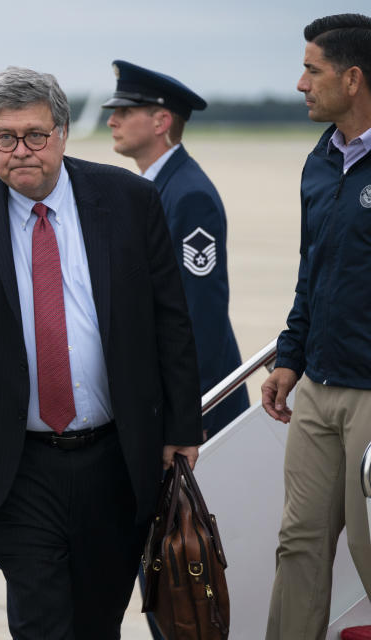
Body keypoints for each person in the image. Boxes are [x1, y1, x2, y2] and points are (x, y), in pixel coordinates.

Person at [0, 66, 202, 640]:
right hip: (13, 461)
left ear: (63, 133)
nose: (21, 151)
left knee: (96, 621)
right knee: (40, 620)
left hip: (115, 458)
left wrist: (182, 427)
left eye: (35, 135)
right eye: (4, 137)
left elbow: (171, 322)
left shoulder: (129, 200)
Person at [261, 14, 371, 639]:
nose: (301, 83)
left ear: (353, 79)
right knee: (297, 543)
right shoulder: (321, 161)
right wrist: (288, 356)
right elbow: (313, 270)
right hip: (318, 389)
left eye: (312, 69)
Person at [104, 60, 249, 441]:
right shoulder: (156, 189)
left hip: (193, 406)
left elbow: (202, 312)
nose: (111, 121)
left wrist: (191, 409)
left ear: (161, 121)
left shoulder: (189, 196)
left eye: (124, 111)